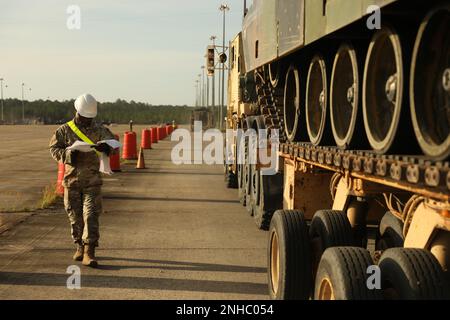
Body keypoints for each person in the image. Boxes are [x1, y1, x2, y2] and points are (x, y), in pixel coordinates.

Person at [49, 93, 116, 268]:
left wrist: (107, 147)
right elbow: (54, 149)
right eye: (84, 117)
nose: (87, 120)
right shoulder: (64, 130)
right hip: (72, 183)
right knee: (75, 218)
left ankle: (89, 252)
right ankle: (79, 246)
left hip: (92, 182)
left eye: (90, 117)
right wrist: (69, 153)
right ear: (77, 112)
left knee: (91, 216)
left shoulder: (100, 129)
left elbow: (115, 143)